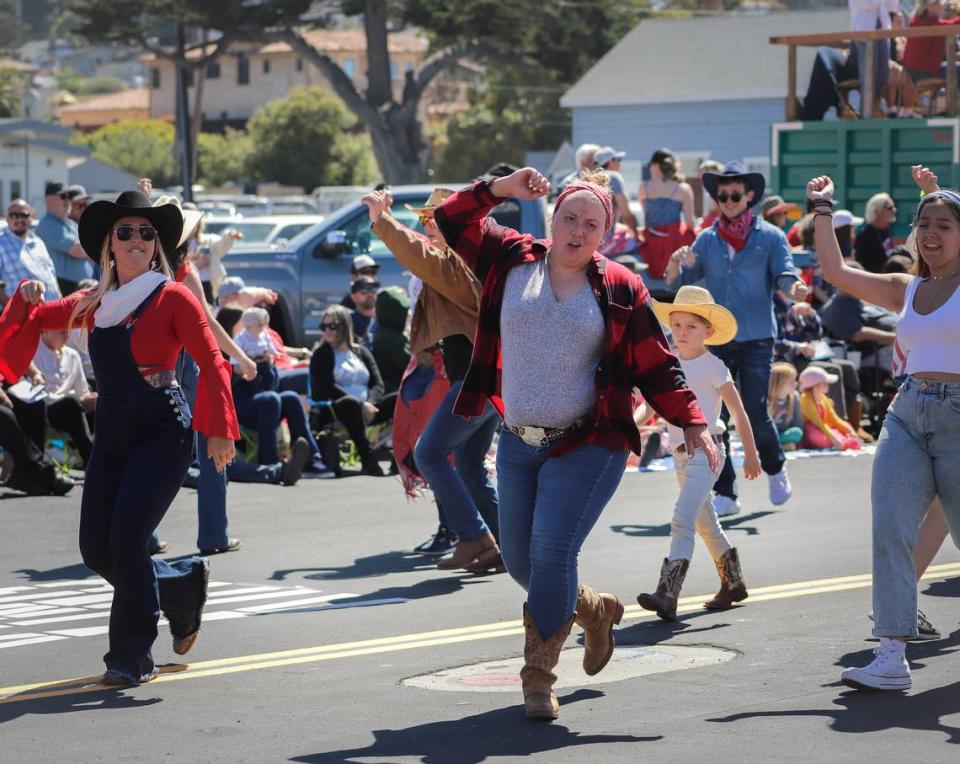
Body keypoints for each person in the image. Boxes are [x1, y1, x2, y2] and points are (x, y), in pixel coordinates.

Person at [434, 166, 715, 721]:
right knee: (520, 561)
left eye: (591, 224)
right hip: (517, 441)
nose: (577, 231)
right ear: (553, 218)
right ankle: (594, 610)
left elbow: (657, 367)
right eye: (569, 218)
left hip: (588, 443)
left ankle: (537, 676)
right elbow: (449, 218)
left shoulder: (620, 287)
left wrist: (693, 421)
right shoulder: (510, 258)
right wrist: (501, 189)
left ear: (604, 235)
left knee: (553, 551)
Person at [0, 189, 239, 685]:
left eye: (146, 233)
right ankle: (177, 587)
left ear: (157, 246)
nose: (136, 240)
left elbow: (212, 358)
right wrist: (26, 291)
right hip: (111, 431)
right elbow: (39, 316)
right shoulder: (95, 301)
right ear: (109, 243)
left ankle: (131, 657)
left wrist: (217, 429)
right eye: (125, 232)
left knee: (127, 541)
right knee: (96, 550)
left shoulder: (173, 296)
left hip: (161, 429)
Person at [807, 174, 960, 691]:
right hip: (908, 413)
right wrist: (823, 207)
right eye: (924, 225)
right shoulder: (907, 287)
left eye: (944, 224)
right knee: (891, 528)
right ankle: (891, 655)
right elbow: (834, 270)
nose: (931, 232)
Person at [363, 187, 502, 573]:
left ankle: (475, 536)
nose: (427, 226)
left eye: (433, 219)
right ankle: (507, 544)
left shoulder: (457, 262)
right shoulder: (461, 258)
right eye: (424, 220)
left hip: (477, 380)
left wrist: (382, 221)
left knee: (429, 453)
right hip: (483, 379)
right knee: (470, 466)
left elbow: (423, 258)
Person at [667, 161, 808, 517]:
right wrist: (678, 263)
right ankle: (726, 491)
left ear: (748, 197)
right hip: (715, 339)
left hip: (758, 337)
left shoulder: (771, 237)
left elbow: (785, 275)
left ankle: (775, 468)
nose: (728, 200)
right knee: (715, 418)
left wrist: (795, 289)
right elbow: (684, 279)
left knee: (755, 409)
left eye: (735, 194)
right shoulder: (707, 239)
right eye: (722, 195)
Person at [637, 286, 761, 621]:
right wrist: (631, 427)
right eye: (676, 325)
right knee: (705, 524)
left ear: (708, 331)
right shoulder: (669, 364)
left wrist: (751, 454)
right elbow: (650, 407)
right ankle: (733, 583)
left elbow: (738, 412)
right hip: (679, 455)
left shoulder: (713, 366)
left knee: (682, 517)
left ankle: (667, 592)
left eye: (690, 326)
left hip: (708, 453)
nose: (681, 332)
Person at [310, 304, 397, 477]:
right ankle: (368, 458)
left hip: (368, 407)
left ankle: (402, 457)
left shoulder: (361, 351)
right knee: (350, 404)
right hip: (334, 408)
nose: (327, 330)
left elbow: (378, 383)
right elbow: (325, 388)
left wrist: (370, 404)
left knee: (401, 398)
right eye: (323, 326)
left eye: (332, 326)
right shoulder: (321, 354)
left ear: (344, 327)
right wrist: (360, 404)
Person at [33, 329, 95, 466]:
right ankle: (90, 459)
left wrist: (92, 399)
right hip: (49, 408)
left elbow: (82, 391)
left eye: (66, 331)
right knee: (71, 405)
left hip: (74, 405)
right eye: (61, 332)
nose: (66, 336)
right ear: (45, 332)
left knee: (102, 403)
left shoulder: (72, 355)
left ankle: (109, 456)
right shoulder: (35, 354)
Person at [637, 148, 697, 279]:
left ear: (656, 166)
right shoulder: (683, 188)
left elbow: (646, 214)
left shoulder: (643, 187)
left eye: (651, 166)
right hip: (674, 240)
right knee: (692, 235)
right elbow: (690, 223)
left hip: (651, 240)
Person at [35, 182, 93, 296]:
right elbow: (78, 250)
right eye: (63, 196)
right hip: (64, 286)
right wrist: (94, 247)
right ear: (48, 200)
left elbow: (88, 250)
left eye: (70, 197)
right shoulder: (47, 224)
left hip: (79, 286)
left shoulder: (70, 224)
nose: (68, 201)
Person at [0, 199, 61, 302]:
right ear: (7, 219)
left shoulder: (38, 242)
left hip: (52, 307)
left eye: (24, 215)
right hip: (23, 314)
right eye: (14, 215)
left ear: (31, 218)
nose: (19, 219)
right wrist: (11, 311)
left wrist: (60, 299)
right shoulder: (1, 242)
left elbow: (51, 275)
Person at [798, 366, 862, 451]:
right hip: (811, 432)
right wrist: (835, 440)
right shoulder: (805, 400)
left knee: (846, 434)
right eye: (824, 382)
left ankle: (841, 441)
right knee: (815, 436)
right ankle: (840, 442)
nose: (828, 384)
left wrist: (850, 431)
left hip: (824, 430)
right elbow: (819, 424)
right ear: (814, 385)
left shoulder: (823, 398)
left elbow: (834, 419)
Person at [370, 286, 410, 394]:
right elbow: (412, 366)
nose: (408, 315)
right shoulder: (391, 339)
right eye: (404, 311)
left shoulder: (382, 333)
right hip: (395, 394)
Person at [594, 146, 639, 242]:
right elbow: (627, 214)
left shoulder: (590, 178)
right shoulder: (614, 177)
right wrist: (637, 236)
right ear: (610, 162)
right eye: (618, 159)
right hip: (606, 241)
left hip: (590, 238)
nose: (620, 163)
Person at [855, 193, 897, 274]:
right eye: (889, 208)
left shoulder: (888, 231)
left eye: (894, 207)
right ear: (877, 211)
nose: (894, 210)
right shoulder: (865, 237)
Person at [768, 362, 804, 451]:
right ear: (779, 383)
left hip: (783, 435)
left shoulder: (794, 397)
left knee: (797, 433)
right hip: (767, 435)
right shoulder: (766, 399)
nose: (796, 384)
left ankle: (774, 447)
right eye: (791, 381)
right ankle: (777, 447)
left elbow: (798, 425)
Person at [347, 275, 379, 345]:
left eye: (373, 289)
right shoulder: (347, 321)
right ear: (353, 296)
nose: (370, 294)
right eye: (364, 290)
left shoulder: (385, 320)